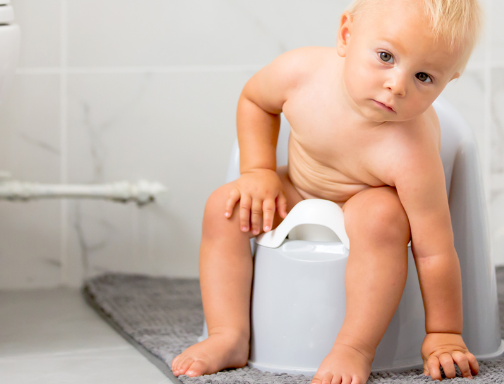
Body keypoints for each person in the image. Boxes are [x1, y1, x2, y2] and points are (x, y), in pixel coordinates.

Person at [171, 0, 483, 382]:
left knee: (381, 216)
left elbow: (434, 251)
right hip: (300, 187)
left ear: (448, 80)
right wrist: (258, 171)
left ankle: (354, 347)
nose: (396, 86)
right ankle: (228, 334)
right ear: (346, 35)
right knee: (225, 205)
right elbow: (255, 100)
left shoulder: (412, 154)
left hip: (365, 199)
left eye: (424, 77)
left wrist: (444, 334)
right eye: (385, 56)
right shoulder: (301, 73)